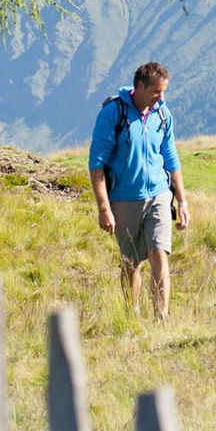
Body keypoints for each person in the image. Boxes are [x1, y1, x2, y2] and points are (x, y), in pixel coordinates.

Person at [89, 61, 188, 320]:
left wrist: (182, 201)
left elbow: (171, 158)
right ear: (140, 87)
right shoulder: (114, 113)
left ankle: (161, 316)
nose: (161, 97)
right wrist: (104, 208)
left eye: (163, 91)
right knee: (131, 262)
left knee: (159, 251)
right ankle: (131, 315)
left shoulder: (163, 114)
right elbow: (97, 163)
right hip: (124, 198)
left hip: (159, 193)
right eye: (156, 91)